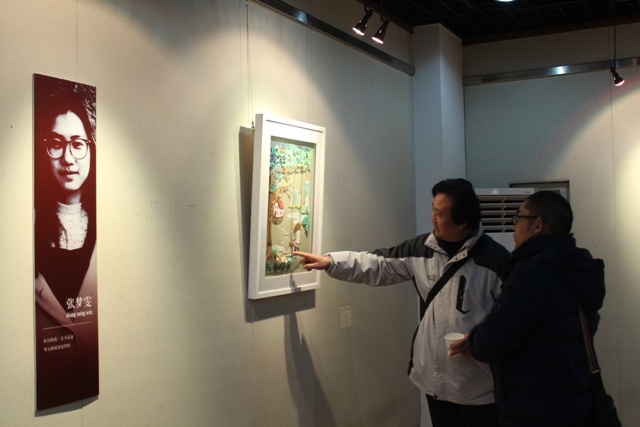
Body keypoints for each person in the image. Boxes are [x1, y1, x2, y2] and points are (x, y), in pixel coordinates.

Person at [295, 178, 510, 427]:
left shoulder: (496, 261)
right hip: (434, 382)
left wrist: (480, 339)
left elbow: (510, 322)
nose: (432, 218)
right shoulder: (422, 248)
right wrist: (331, 262)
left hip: (479, 388)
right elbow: (378, 265)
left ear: (463, 222)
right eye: (433, 209)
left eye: (439, 213)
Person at [452, 191, 606, 426]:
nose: (514, 227)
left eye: (518, 219)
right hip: (574, 397)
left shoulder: (532, 273)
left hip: (534, 408)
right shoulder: (579, 268)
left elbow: (493, 341)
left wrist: (473, 340)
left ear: (537, 225)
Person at [34, 74, 99, 410]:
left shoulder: (104, 228)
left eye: (77, 143)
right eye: (56, 143)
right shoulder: (31, 228)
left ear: (91, 146)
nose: (68, 158)